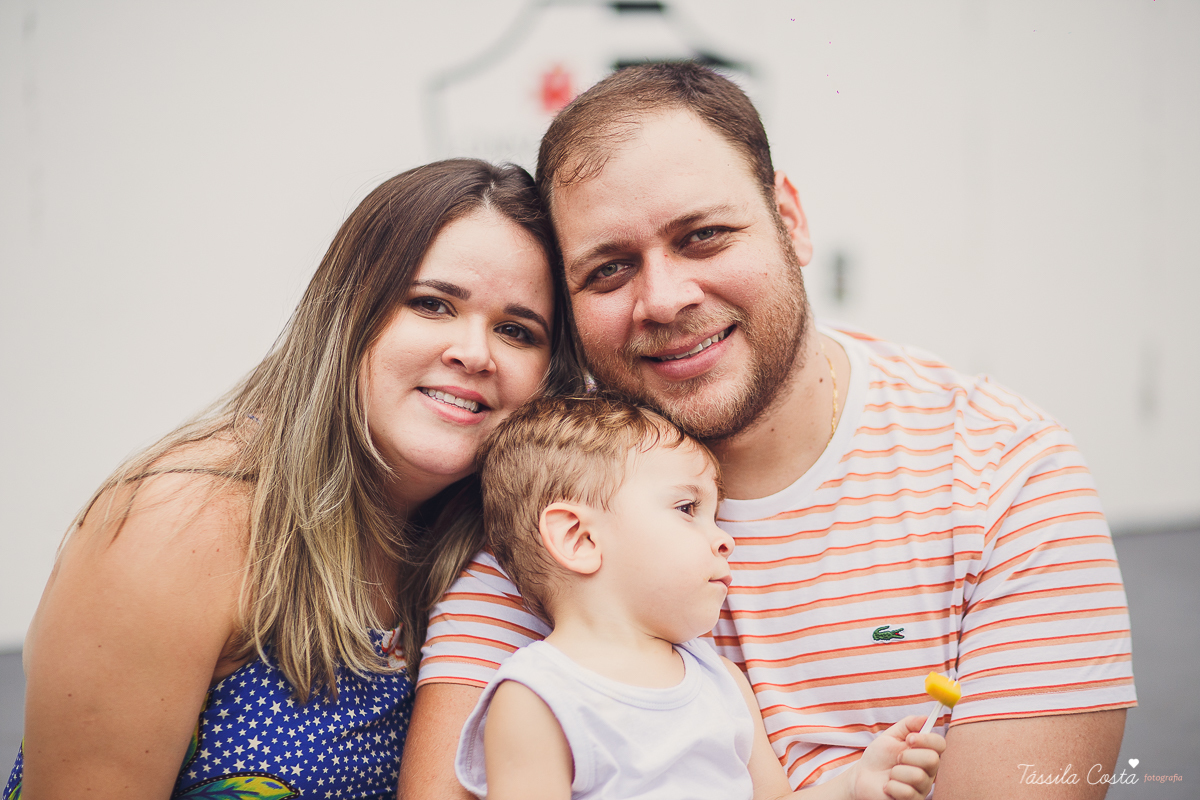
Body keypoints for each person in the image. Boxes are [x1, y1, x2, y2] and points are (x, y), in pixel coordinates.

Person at [399, 64, 1136, 798]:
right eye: (609, 269)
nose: (662, 299)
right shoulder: (554, 479)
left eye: (704, 236)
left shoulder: (1006, 475)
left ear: (790, 222)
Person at [6, 158, 581, 799]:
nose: (474, 353)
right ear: (348, 314)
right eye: (431, 304)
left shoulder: (497, 551)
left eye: (515, 330)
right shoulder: (183, 520)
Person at [457, 394, 946, 800]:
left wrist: (856, 784)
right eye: (688, 507)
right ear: (579, 539)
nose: (724, 538)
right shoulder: (537, 698)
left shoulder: (721, 682)